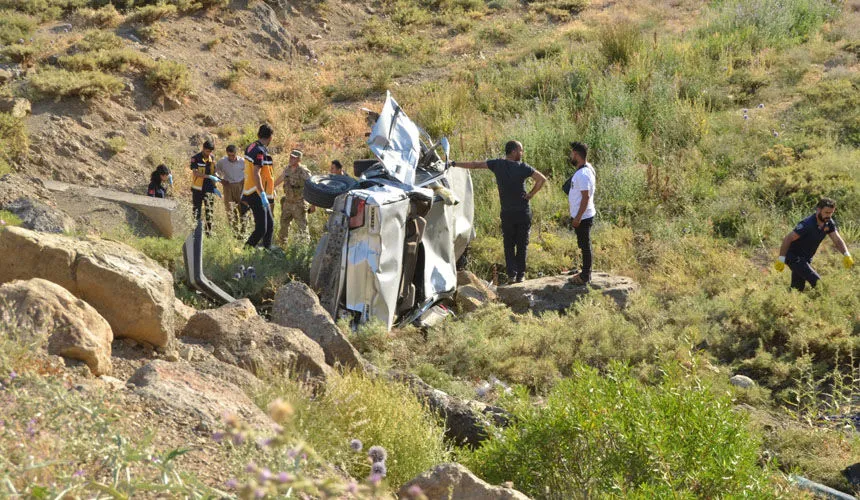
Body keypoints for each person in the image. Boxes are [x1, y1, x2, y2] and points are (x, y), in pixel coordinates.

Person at [453, 140, 546, 283]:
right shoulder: (523, 167)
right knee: (522, 244)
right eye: (520, 150)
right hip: (523, 212)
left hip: (507, 212)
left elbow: (475, 164)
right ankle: (520, 275)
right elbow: (541, 179)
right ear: (513, 152)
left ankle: (511, 275)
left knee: (508, 244)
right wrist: (530, 195)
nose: (522, 153)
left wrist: (454, 163)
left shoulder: (497, 164)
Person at [774, 198, 853, 291]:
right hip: (793, 257)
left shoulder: (829, 223)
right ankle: (826, 297)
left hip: (806, 258)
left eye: (831, 213)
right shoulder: (807, 224)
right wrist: (781, 259)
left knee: (797, 288)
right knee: (818, 283)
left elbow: (837, 240)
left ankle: (786, 299)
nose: (829, 215)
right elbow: (788, 238)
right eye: (826, 212)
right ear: (818, 210)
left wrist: (846, 254)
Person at [240, 124, 276, 249]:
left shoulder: (251, 146)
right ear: (270, 137)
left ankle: (267, 249)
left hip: (254, 190)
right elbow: (256, 173)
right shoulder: (260, 151)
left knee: (270, 225)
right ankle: (246, 250)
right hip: (256, 192)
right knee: (261, 229)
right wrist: (262, 194)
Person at [566, 142, 597, 285]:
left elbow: (586, 197)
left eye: (572, 154)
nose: (570, 156)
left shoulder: (583, 174)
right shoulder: (586, 169)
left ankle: (585, 276)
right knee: (584, 244)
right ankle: (585, 272)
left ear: (577, 155)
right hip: (582, 215)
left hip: (583, 216)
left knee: (585, 246)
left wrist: (578, 217)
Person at [274, 149, 314, 245]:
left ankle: (304, 248)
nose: (291, 159)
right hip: (287, 202)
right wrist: (271, 188)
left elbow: (312, 186)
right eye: (290, 157)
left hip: (299, 204)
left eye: (294, 158)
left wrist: (313, 204)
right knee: (283, 225)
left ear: (299, 160)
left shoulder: (303, 171)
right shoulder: (287, 169)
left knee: (302, 228)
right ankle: (282, 246)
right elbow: (280, 178)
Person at [190, 140, 220, 234]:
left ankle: (208, 233)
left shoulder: (212, 158)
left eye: (210, 151)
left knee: (209, 211)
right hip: (197, 189)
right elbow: (195, 173)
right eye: (207, 151)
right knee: (196, 211)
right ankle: (196, 232)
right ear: (203, 149)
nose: (209, 153)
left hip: (209, 188)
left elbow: (213, 172)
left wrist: (216, 183)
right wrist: (208, 176)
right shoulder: (195, 158)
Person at [216, 144, 246, 235]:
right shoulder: (222, 161)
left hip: (240, 186)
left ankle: (244, 232)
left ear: (236, 153)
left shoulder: (242, 161)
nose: (231, 157)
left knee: (243, 208)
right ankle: (235, 233)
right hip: (228, 186)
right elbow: (215, 171)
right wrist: (221, 180)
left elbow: (249, 172)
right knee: (230, 209)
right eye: (229, 155)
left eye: (233, 155)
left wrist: (245, 181)